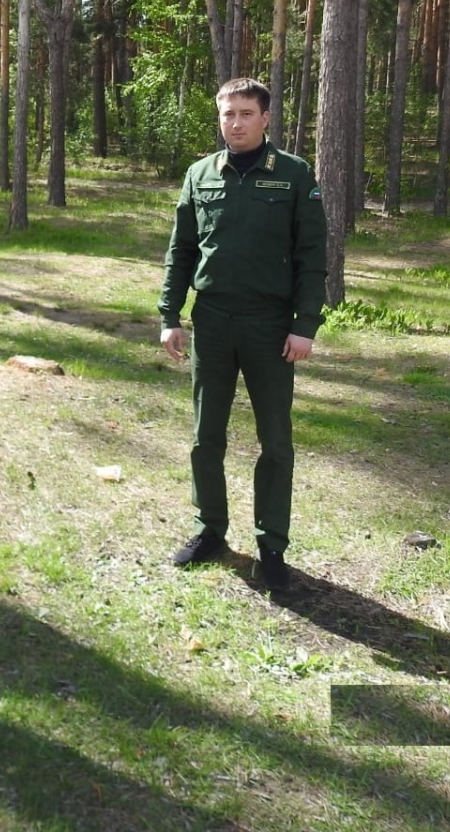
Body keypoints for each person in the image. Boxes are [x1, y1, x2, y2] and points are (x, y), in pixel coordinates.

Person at [158, 77, 328, 591]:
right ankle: (209, 530)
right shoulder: (199, 174)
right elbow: (181, 251)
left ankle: (271, 546)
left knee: (275, 441)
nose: (235, 123)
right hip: (212, 321)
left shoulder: (294, 175)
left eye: (246, 114)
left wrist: (305, 326)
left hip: (270, 327)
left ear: (265, 118)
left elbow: (313, 258)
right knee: (205, 436)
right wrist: (170, 315)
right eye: (228, 114)